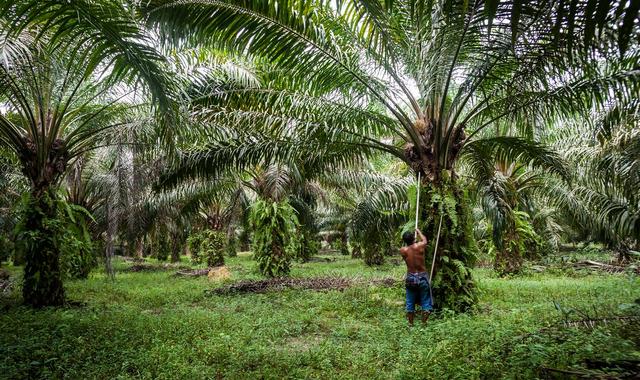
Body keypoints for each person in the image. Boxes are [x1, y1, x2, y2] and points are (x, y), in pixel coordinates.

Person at [400, 228, 433, 326]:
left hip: (411, 278)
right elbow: (425, 240)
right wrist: (418, 231)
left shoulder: (403, 250)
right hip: (422, 277)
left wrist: (410, 241)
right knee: (426, 301)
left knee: (410, 302)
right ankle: (424, 322)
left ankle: (410, 324)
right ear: (413, 238)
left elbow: (407, 249)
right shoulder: (420, 246)